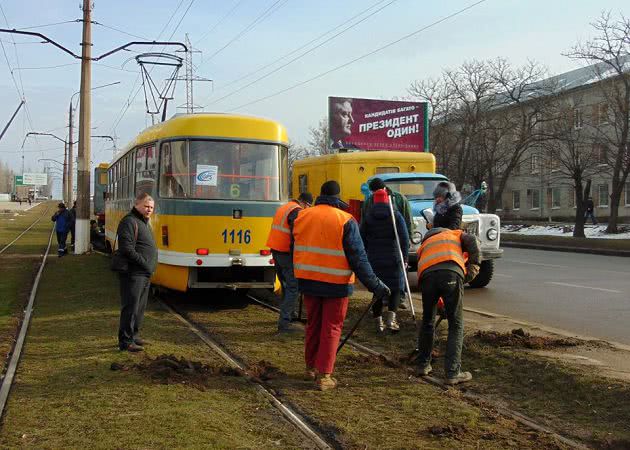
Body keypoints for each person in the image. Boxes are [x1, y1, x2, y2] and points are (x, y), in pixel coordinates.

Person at [290, 180, 390, 390]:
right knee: (331, 328)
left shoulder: (302, 215)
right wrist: (375, 285)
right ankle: (325, 375)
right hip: (335, 283)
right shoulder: (345, 220)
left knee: (313, 325)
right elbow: (358, 258)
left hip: (308, 280)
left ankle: (310, 368)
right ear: (338, 197)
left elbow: (295, 247)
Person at [415, 226, 481, 385]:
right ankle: (452, 372)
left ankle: (423, 365)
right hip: (451, 273)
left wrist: (442, 304)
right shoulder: (454, 233)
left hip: (426, 278)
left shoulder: (425, 244)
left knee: (428, 321)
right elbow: (473, 240)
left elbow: (432, 275)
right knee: (456, 324)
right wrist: (474, 266)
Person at [113, 192, 158, 352]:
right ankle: (125, 341)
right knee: (130, 306)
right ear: (137, 204)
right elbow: (127, 249)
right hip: (133, 273)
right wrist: (145, 263)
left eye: (151, 207)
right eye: (146, 206)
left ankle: (134, 336)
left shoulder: (144, 222)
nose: (149, 210)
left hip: (144, 273)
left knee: (139, 307)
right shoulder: (130, 222)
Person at [360, 188, 409, 333]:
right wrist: (405, 256)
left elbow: (362, 237)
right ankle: (391, 320)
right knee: (395, 289)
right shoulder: (395, 215)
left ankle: (378, 322)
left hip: (374, 258)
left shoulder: (368, 216)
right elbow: (404, 237)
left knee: (378, 289)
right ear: (387, 200)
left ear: (374, 201)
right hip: (393, 258)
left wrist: (366, 253)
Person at [266, 192, 313, 333]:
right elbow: (295, 236)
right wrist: (298, 256)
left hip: (276, 250)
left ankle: (289, 315)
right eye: (308, 207)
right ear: (305, 203)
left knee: (287, 286)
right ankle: (284, 323)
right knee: (294, 287)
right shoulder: (296, 211)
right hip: (286, 253)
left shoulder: (285, 206)